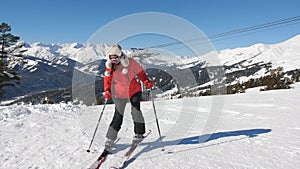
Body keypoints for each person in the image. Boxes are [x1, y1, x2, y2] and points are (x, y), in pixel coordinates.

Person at [103, 44, 153, 151]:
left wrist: (146, 81)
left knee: (136, 112)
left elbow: (141, 73)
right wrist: (107, 90)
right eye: (111, 59)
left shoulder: (130, 63)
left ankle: (139, 133)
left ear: (120, 56)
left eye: (116, 58)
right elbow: (107, 79)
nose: (114, 60)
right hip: (119, 93)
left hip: (133, 91)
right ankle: (110, 139)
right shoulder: (110, 67)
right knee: (118, 115)